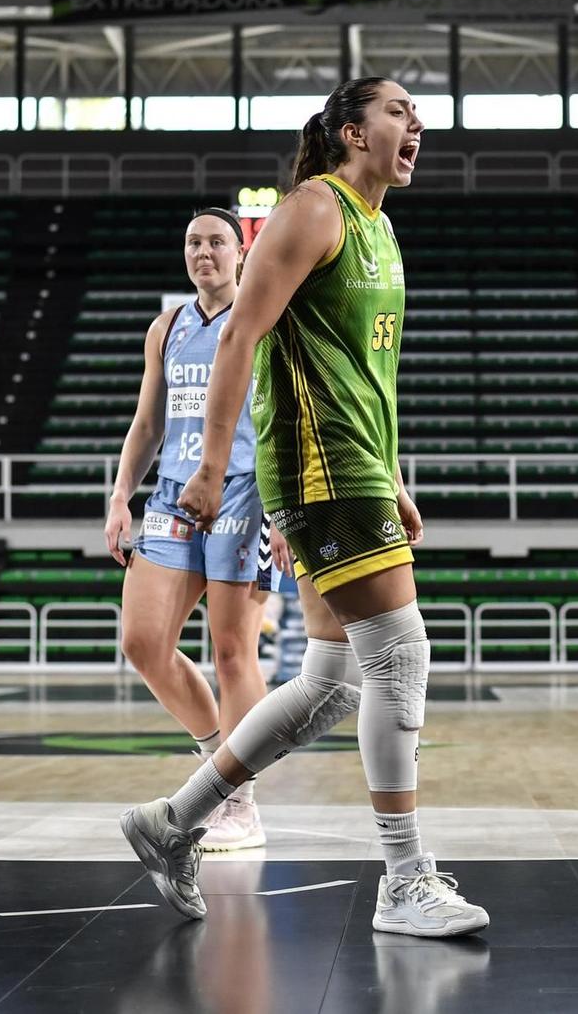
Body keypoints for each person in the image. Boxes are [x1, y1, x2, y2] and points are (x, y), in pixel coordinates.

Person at [119, 77, 487, 939]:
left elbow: (367, 372)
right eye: (399, 110)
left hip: (356, 466)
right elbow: (241, 335)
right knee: (401, 657)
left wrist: (392, 471)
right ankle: (403, 879)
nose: (417, 123)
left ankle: (174, 821)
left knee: (330, 684)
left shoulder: (380, 226)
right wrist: (212, 467)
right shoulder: (313, 210)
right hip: (316, 470)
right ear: (352, 131)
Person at [105, 208, 282, 852]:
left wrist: (285, 509)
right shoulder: (168, 326)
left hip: (247, 491)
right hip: (173, 498)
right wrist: (123, 494)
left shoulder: (266, 320)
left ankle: (241, 800)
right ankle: (217, 764)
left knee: (233, 651)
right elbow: (147, 423)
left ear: (242, 252)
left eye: (216, 242)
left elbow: (284, 421)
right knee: (142, 640)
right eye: (193, 242)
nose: (203, 252)